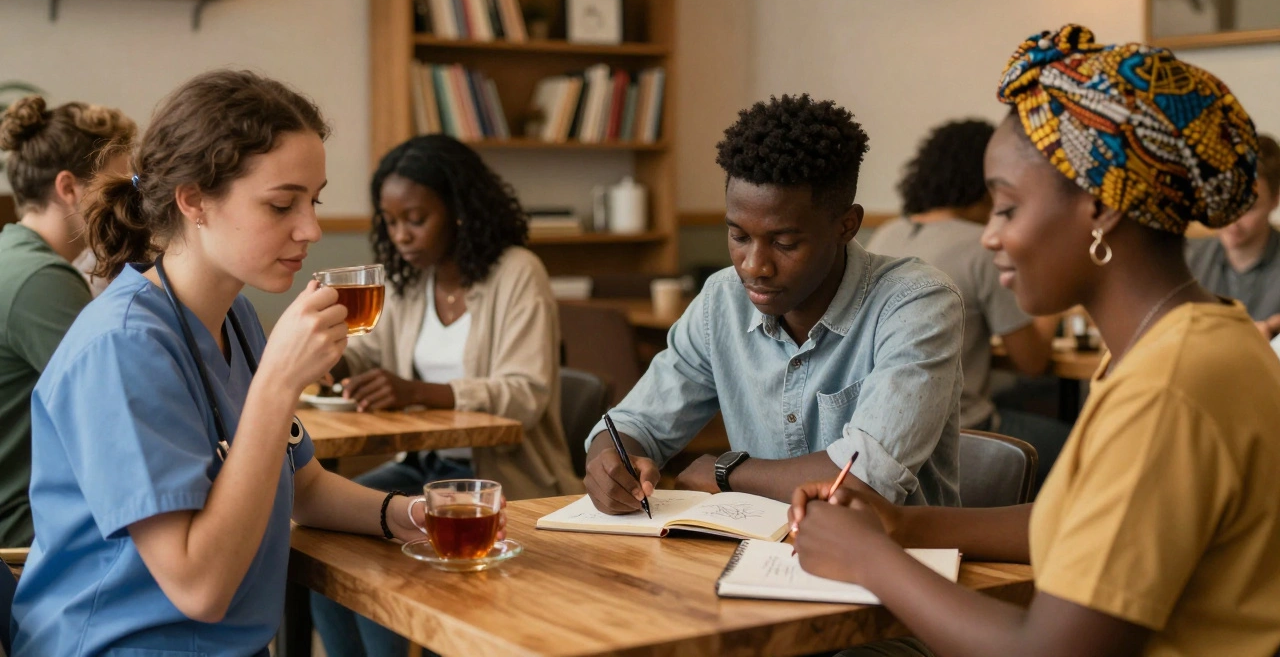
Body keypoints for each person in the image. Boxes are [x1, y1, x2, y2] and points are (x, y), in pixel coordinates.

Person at [790, 25, 1280, 657]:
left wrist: (873, 561)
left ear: (1102, 208)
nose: (991, 236)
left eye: (1008, 208)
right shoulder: (1196, 337)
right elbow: (1088, 524)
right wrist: (904, 523)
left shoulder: (1167, 384)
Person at [10, 71, 499, 656]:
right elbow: (200, 589)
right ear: (193, 199)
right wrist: (277, 384)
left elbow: (305, 484)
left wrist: (412, 514)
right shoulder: (122, 349)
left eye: (313, 201)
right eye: (281, 204)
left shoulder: (235, 317)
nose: (312, 228)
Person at [583, 94, 965, 516]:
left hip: (893, 568)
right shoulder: (721, 300)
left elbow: (861, 481)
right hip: (758, 558)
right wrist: (608, 461)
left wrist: (727, 471)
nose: (753, 266)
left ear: (847, 225)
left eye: (784, 243)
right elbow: (635, 424)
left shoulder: (916, 302)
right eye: (738, 236)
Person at [310, 133, 576, 657]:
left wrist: (417, 392)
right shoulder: (412, 282)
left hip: (499, 477)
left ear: (458, 211)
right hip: (423, 468)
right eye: (390, 222)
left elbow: (526, 394)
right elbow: (370, 355)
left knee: (387, 568)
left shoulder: (518, 273)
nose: (401, 235)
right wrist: (327, 347)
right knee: (326, 538)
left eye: (415, 218)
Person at [866, 118, 1069, 485]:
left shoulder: (885, 234)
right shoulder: (982, 247)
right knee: (1079, 446)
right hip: (963, 432)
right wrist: (1060, 298)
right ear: (982, 184)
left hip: (877, 424)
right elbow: (1032, 361)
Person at [0, 96, 135, 548]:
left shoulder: (14, 256)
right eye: (120, 186)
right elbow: (125, 401)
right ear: (68, 188)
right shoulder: (42, 280)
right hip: (22, 527)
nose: (132, 204)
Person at [1188, 134, 1280, 338]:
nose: (1232, 219)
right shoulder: (1187, 257)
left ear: (1275, 200)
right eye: (1225, 201)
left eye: (1249, 208)